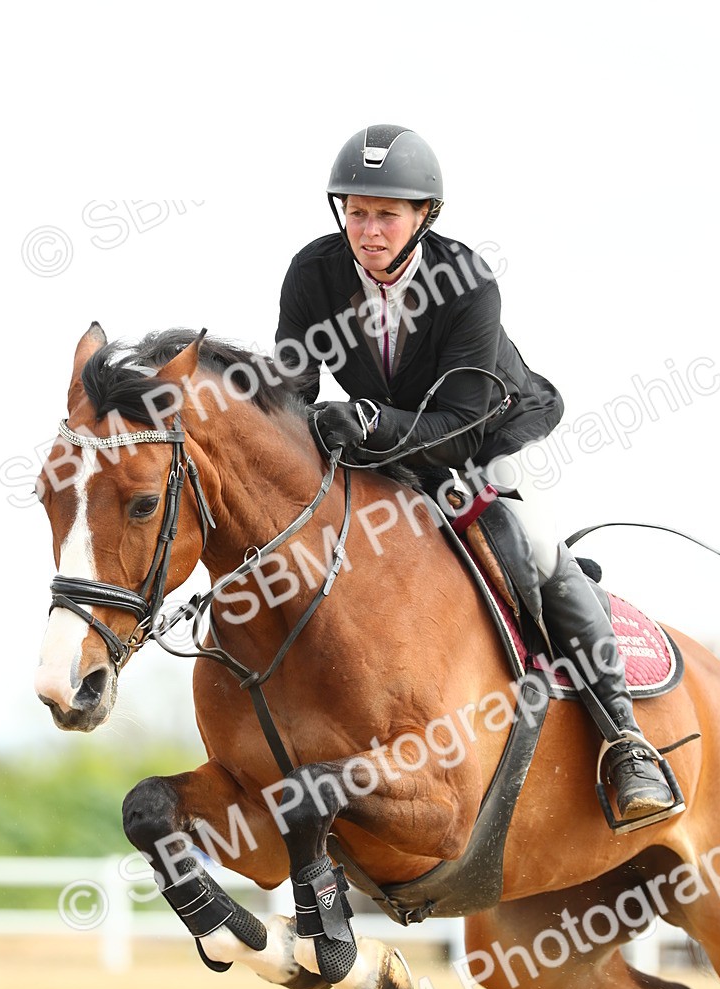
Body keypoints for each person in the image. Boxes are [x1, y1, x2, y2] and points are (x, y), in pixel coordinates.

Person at [275, 123, 676, 829]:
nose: (368, 231)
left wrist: (369, 423)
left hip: (491, 429)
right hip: (387, 448)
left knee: (533, 544)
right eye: (357, 212)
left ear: (423, 215)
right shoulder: (314, 273)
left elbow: (459, 419)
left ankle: (627, 741)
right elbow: (293, 388)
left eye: (386, 215)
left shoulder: (466, 281)